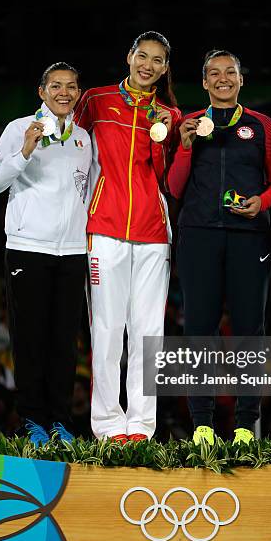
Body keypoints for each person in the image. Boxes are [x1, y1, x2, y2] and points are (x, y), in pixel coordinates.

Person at [168, 49, 271, 445]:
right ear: (203, 82)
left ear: (241, 79)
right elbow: (175, 187)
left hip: (250, 236)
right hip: (199, 235)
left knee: (250, 330)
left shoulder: (261, 126)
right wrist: (183, 146)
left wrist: (261, 204)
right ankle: (202, 425)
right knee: (200, 329)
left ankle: (246, 426)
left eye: (229, 72)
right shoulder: (188, 124)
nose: (222, 79)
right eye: (213, 73)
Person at [74, 31, 181, 443]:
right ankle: (107, 425)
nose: (148, 65)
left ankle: (140, 427)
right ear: (129, 55)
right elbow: (71, 146)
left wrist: (168, 134)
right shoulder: (96, 101)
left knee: (148, 332)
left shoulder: (167, 113)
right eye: (143, 56)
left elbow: (167, 176)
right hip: (104, 229)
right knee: (105, 328)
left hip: (154, 233)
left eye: (157, 60)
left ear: (165, 67)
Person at [0, 62, 91, 446]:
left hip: (74, 250)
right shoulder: (18, 129)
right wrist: (25, 151)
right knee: (29, 338)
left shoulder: (82, 138)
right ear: (41, 92)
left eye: (72, 86)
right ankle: (31, 420)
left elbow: (88, 192)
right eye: (56, 86)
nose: (65, 92)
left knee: (64, 341)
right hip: (28, 248)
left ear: (79, 93)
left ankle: (59, 421)